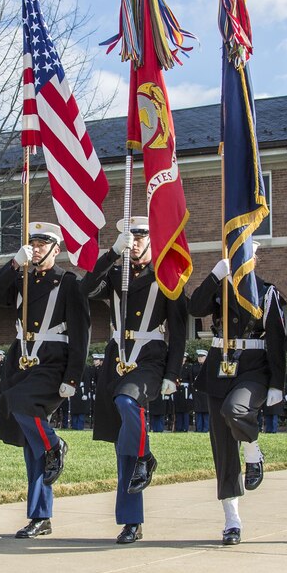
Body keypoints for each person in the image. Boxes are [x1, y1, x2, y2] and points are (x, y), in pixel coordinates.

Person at [82, 216, 187, 545]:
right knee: (122, 442)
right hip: (117, 356)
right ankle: (131, 521)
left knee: (127, 402)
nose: (137, 241)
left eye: (143, 235)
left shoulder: (166, 275)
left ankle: (146, 457)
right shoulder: (116, 273)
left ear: (153, 240)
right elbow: (85, 289)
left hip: (150, 356)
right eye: (132, 236)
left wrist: (173, 373)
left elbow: (180, 331)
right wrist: (112, 253)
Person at [0, 222, 89, 539]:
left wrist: (72, 376)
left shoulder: (68, 282)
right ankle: (40, 516)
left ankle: (56, 444)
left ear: (57, 249)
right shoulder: (20, 279)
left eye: (44, 243)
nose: (38, 247)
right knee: (31, 446)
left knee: (19, 403)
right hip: (20, 357)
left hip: (52, 360)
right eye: (34, 242)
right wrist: (14, 262)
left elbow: (81, 334)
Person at [188, 241, 286, 545]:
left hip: (253, 369)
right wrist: (216, 275)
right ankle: (232, 519)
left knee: (235, 409)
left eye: (246, 256)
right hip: (220, 367)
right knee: (223, 449)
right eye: (234, 256)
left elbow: (278, 342)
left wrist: (278, 384)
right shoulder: (219, 288)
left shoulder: (267, 292)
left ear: (255, 258)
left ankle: (254, 449)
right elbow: (194, 308)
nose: (240, 261)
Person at [192, 350, 210, 432]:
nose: (200, 358)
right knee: (198, 411)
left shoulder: (209, 366)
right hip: (197, 391)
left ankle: (206, 428)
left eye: (202, 356)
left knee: (206, 411)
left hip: (205, 391)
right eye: (199, 356)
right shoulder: (194, 366)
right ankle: (199, 428)